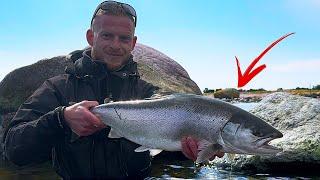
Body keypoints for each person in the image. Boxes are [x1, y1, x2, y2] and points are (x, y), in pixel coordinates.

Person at [4, 1, 223, 179]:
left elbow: (165, 149)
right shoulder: (57, 88)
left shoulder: (148, 94)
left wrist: (192, 152)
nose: (116, 45)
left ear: (134, 42)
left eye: (124, 38)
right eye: (107, 35)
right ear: (91, 37)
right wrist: (61, 119)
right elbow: (13, 149)